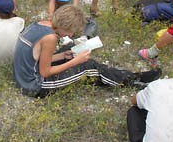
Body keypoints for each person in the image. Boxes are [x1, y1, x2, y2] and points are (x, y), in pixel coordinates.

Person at [13, 5, 160, 98]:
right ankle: (132, 80)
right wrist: (75, 62)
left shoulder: (40, 24)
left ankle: (124, 76)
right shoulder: (50, 37)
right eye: (71, 31)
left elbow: (35, 57)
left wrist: (63, 55)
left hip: (24, 76)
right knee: (87, 66)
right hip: (34, 86)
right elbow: (45, 72)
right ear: (65, 25)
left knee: (68, 50)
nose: (70, 35)